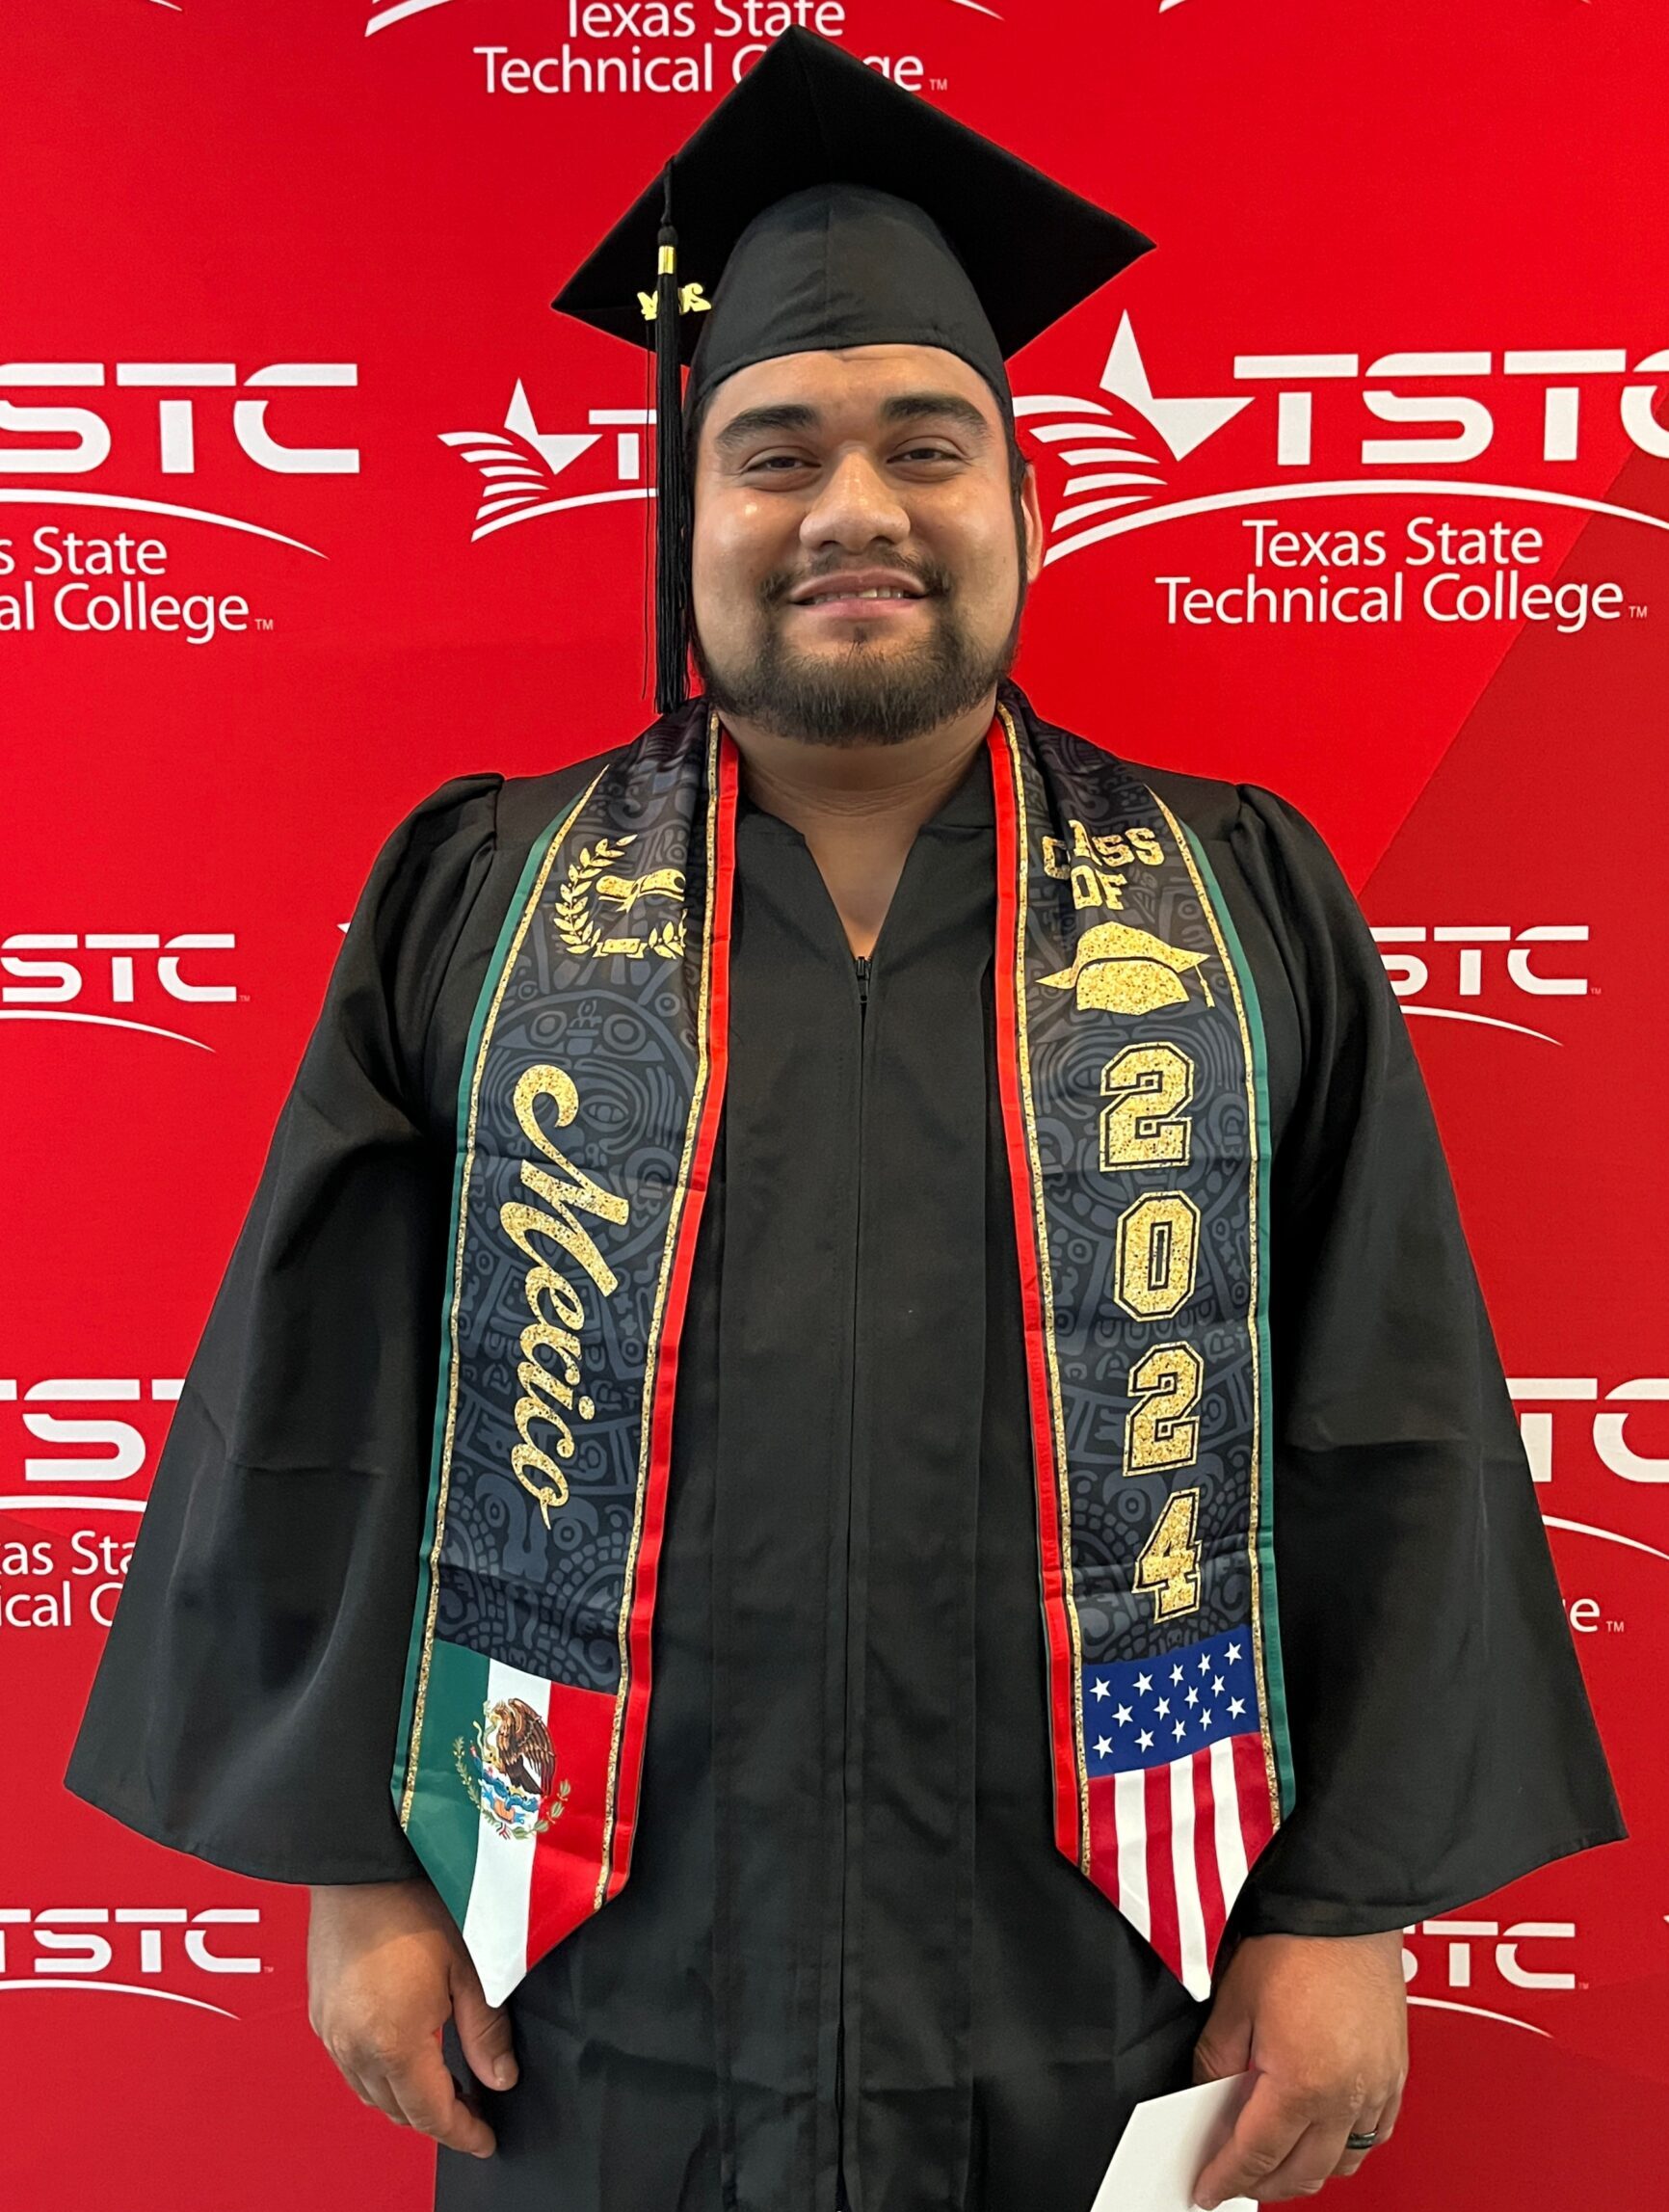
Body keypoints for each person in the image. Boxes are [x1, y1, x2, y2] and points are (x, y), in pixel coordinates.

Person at [66, 28, 1623, 2212]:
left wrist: (1342, 1900)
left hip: (1101, 1975)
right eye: (773, 453)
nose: (854, 511)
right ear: (686, 512)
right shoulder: (486, 899)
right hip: (591, 1981)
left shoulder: (1231, 895)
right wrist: (355, 1865)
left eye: (927, 446)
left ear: (1024, 500)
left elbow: (1389, 1409)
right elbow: (322, 1402)